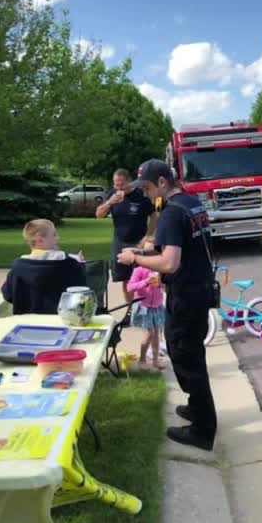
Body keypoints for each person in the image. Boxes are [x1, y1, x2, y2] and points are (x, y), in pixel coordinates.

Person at [117, 159, 217, 451]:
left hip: (186, 294)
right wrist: (144, 249)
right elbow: (180, 247)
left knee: (186, 356)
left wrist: (134, 258)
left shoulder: (172, 213)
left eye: (147, 188)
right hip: (197, 289)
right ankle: (197, 407)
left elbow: (169, 263)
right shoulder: (191, 203)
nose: (146, 194)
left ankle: (202, 429)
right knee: (187, 352)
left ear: (162, 182)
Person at [0, 219, 88, 315]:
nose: (58, 238)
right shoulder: (68, 264)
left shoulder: (18, 267)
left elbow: (8, 296)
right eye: (54, 235)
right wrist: (81, 264)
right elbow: (82, 292)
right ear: (40, 240)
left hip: (27, 323)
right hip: (61, 322)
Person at [96, 169, 156, 305]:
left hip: (139, 242)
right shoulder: (112, 194)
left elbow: (153, 215)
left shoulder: (141, 194)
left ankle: (146, 307)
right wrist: (109, 202)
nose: (118, 188)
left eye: (121, 184)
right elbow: (98, 215)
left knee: (145, 276)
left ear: (130, 182)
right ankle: (131, 310)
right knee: (126, 278)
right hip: (120, 242)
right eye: (116, 184)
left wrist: (148, 236)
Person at [125, 236, 166, 371]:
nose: (151, 256)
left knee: (156, 334)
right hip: (144, 306)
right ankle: (142, 359)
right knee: (149, 334)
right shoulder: (139, 269)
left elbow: (165, 285)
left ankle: (155, 359)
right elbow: (130, 287)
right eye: (147, 252)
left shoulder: (160, 269)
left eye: (154, 252)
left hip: (157, 306)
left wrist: (162, 284)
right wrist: (145, 282)